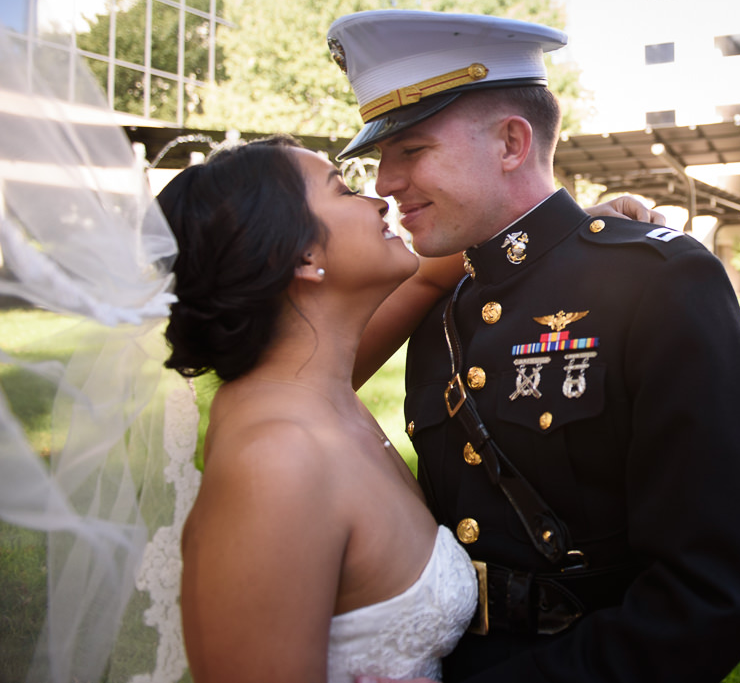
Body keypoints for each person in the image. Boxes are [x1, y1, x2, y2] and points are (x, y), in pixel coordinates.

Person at [330, 10, 740, 682]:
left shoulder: (657, 281)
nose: (386, 181)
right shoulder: (441, 298)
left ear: (512, 142)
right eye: (381, 157)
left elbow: (711, 594)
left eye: (412, 151)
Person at [156, 134, 659, 683]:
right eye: (343, 190)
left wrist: (581, 227)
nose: (377, 196)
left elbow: (432, 271)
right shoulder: (277, 458)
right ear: (300, 254)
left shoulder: (305, 386)